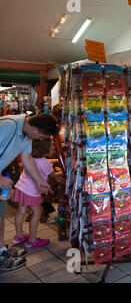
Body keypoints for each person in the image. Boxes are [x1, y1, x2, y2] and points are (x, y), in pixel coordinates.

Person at [0, 113, 59, 271]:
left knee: (0, 215)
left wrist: (40, 182)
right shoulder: (9, 126)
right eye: (42, 135)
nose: (41, 139)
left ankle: (1, 251)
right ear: (34, 128)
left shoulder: (27, 135)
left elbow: (27, 159)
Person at [12, 139, 55, 248]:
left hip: (21, 187)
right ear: (48, 148)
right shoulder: (46, 163)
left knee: (21, 211)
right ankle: (32, 240)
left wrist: (54, 161)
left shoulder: (28, 158)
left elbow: (31, 165)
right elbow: (53, 175)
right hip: (32, 192)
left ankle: (19, 236)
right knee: (37, 212)